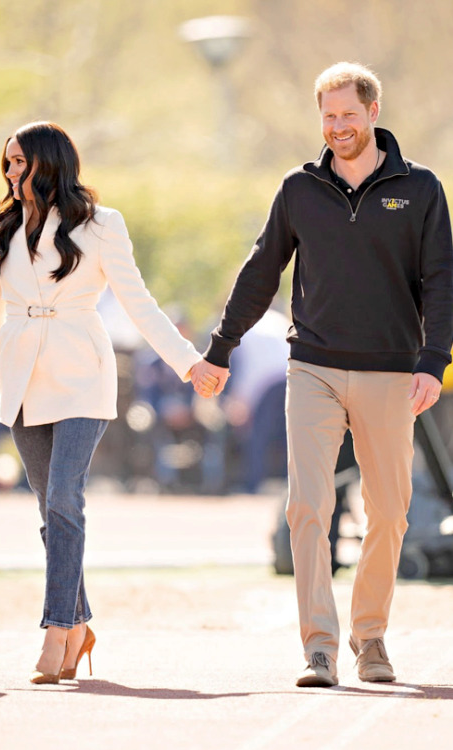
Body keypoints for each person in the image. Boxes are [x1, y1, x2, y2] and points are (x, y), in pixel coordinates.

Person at [191, 62, 453, 687]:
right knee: (307, 506)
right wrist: (219, 349)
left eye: (348, 115)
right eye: (328, 116)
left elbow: (442, 280)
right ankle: (319, 647)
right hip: (311, 365)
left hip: (392, 372)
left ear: (372, 113)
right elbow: (261, 272)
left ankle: (371, 636)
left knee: (388, 512)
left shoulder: (419, 189)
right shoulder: (299, 188)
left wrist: (433, 361)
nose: (337, 127)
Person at [0, 121, 216, 685]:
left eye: (21, 161)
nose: (12, 172)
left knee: (65, 499)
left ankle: (54, 629)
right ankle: (79, 625)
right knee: (49, 510)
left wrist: (189, 362)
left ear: (50, 162)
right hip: (23, 381)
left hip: (82, 378)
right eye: (8, 163)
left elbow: (140, 304)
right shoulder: (5, 226)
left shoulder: (102, 225)